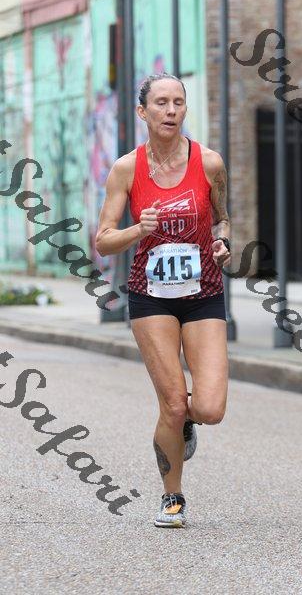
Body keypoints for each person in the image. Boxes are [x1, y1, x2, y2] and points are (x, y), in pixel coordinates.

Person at [95, 72, 231, 528]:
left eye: (178, 102)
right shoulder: (126, 169)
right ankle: (172, 497)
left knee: (208, 408)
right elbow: (103, 240)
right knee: (172, 403)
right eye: (161, 103)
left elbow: (223, 219)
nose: (171, 111)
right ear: (143, 111)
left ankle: (187, 423)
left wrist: (224, 243)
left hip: (203, 293)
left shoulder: (209, 162)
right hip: (150, 296)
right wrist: (139, 229)